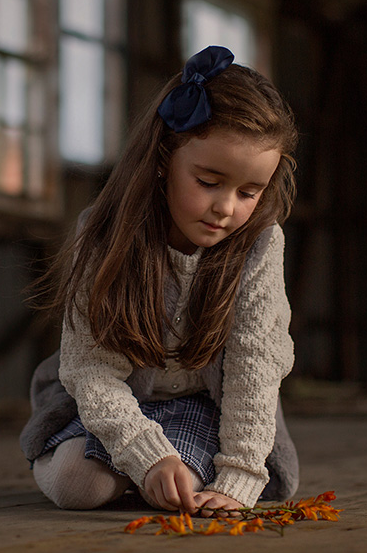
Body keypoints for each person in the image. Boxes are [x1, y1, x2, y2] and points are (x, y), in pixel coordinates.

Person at [19, 45, 299, 517]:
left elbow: (255, 366)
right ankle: (124, 470)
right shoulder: (107, 233)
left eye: (249, 192)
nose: (226, 208)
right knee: (77, 486)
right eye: (208, 182)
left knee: (182, 490)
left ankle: (171, 473)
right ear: (163, 160)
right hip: (108, 402)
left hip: (205, 407)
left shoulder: (260, 245)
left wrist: (240, 474)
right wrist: (148, 456)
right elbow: (92, 371)